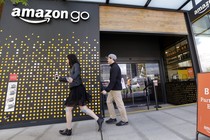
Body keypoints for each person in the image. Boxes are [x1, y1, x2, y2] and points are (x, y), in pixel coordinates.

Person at [55, 54, 104, 136]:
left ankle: (69, 129)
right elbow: (70, 79)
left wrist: (71, 78)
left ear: (71, 59)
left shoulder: (76, 65)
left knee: (68, 109)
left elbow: (76, 74)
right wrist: (60, 78)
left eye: (67, 59)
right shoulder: (72, 67)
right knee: (83, 108)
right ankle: (99, 119)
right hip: (78, 89)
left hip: (77, 89)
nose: (66, 61)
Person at [101, 54, 128, 126]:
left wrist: (106, 90)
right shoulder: (113, 67)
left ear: (112, 59)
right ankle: (113, 117)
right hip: (113, 89)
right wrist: (109, 89)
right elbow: (112, 80)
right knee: (108, 101)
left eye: (108, 58)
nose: (107, 60)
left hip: (116, 89)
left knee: (120, 104)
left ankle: (124, 120)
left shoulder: (115, 67)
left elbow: (113, 80)